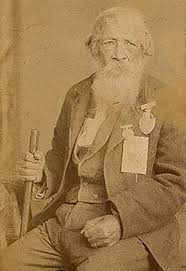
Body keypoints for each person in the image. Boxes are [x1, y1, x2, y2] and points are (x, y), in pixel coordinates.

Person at [1, 6, 186, 271]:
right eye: (109, 42)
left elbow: (174, 182)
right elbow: (59, 156)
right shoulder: (77, 94)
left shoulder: (168, 101)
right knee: (8, 264)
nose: (119, 54)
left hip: (130, 229)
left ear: (144, 49)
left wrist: (119, 221)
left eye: (129, 43)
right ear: (93, 48)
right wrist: (42, 173)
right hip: (66, 219)